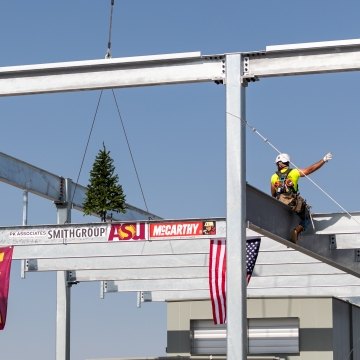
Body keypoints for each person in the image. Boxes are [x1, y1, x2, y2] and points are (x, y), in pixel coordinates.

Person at [270, 152, 332, 243]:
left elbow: (273, 193)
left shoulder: (273, 177)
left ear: (278, 163)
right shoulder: (294, 172)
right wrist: (323, 160)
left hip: (280, 204)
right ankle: (297, 230)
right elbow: (310, 169)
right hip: (293, 203)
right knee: (307, 218)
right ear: (287, 162)